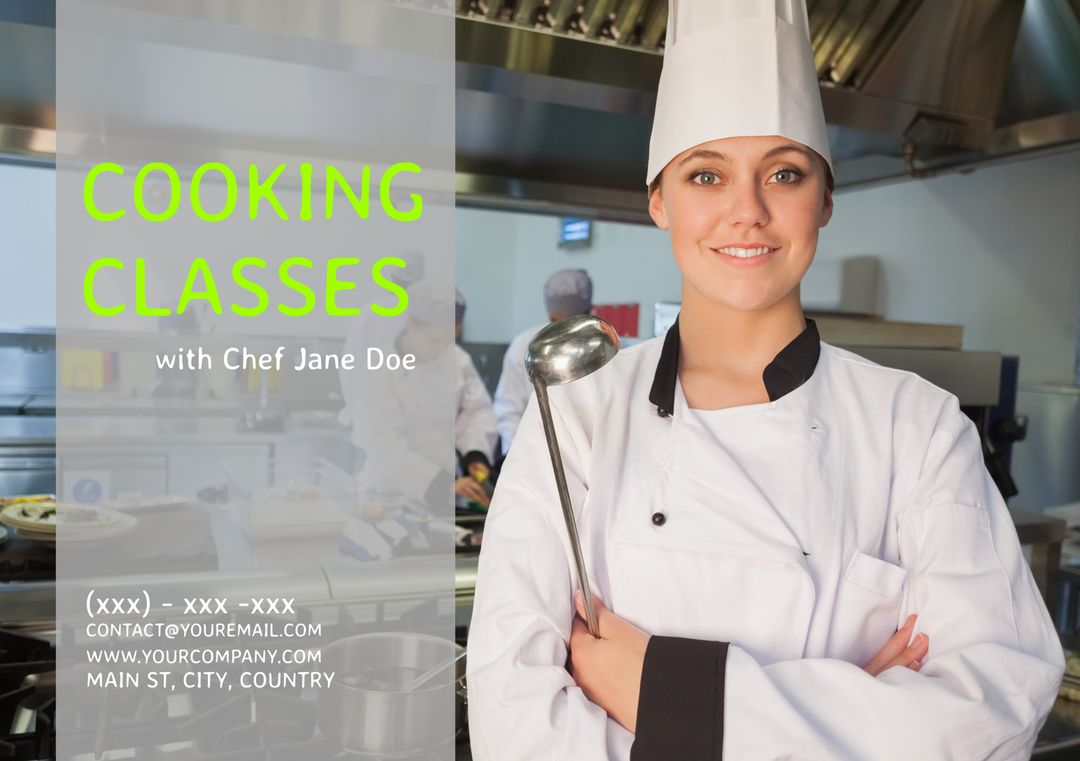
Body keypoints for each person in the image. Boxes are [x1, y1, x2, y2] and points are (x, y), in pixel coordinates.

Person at [465, 1, 1064, 759]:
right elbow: (511, 722)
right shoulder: (578, 421)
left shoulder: (916, 426)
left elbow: (993, 708)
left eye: (784, 173)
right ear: (660, 201)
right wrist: (849, 696)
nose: (746, 212)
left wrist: (659, 692)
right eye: (706, 174)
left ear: (824, 199)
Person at [492, 268, 593, 456]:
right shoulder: (524, 345)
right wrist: (518, 457)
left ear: (588, 312)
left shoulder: (604, 348)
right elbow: (508, 409)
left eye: (570, 323)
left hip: (588, 459)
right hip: (531, 454)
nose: (560, 331)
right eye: (555, 321)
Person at [453, 289, 499, 508]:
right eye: (434, 338)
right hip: (389, 492)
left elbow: (476, 414)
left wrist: (474, 456)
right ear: (412, 324)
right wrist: (439, 484)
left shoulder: (458, 361)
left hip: (451, 488)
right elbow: (385, 444)